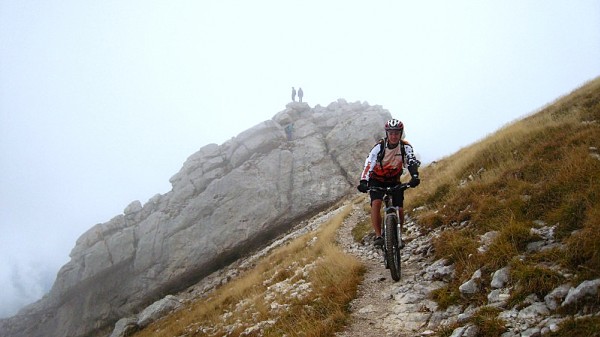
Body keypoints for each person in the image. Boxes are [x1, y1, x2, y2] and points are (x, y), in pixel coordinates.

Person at [357, 119, 421, 247]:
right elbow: (369, 163)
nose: (393, 136)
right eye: (391, 133)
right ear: (387, 133)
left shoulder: (405, 147)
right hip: (377, 179)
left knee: (400, 209)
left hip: (394, 180)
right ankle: (378, 236)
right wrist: (364, 181)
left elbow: (411, 161)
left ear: (400, 133)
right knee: (376, 203)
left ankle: (398, 236)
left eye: (396, 133)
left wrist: (414, 176)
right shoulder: (379, 147)